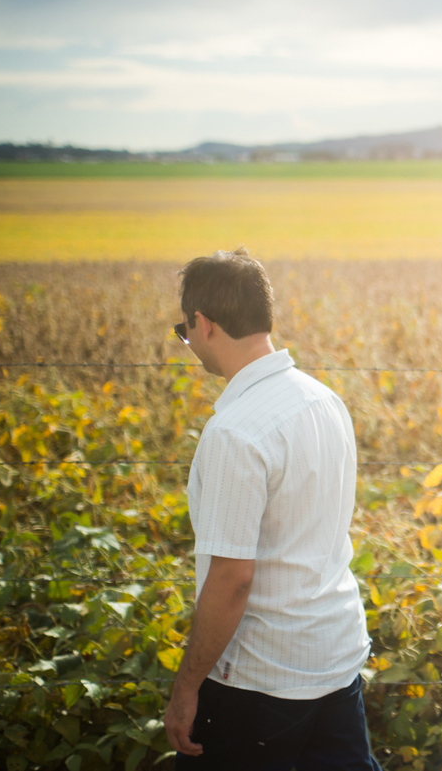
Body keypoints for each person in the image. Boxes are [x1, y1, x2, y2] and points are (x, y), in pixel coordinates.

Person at [163, 248, 380, 770]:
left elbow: (233, 578)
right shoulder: (324, 400)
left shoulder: (234, 433)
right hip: (335, 660)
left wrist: (187, 686)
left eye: (184, 330)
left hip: (259, 683)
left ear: (203, 323)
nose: (188, 342)